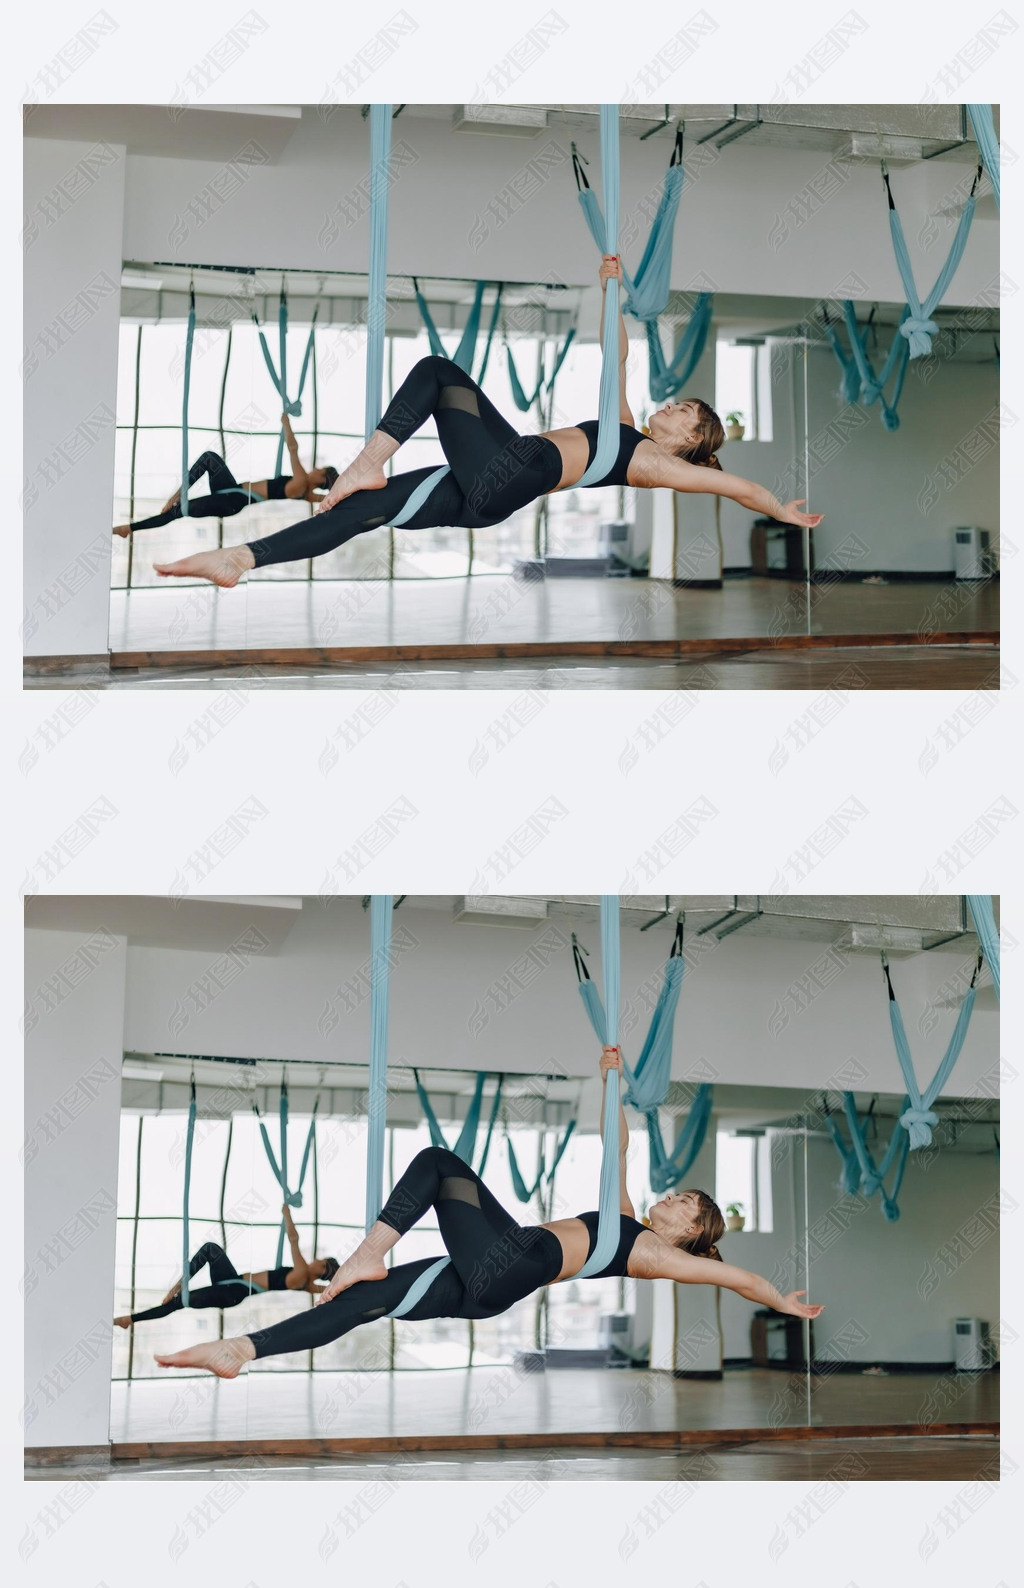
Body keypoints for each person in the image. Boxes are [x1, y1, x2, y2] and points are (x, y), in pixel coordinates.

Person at [151, 258, 824, 587]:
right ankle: (241, 558)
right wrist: (613, 290)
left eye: (688, 415)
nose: (675, 407)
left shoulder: (657, 463)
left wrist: (782, 513)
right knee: (364, 511)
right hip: (488, 487)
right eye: (679, 402)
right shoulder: (629, 433)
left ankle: (366, 460)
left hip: (509, 472)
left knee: (442, 373)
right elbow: (615, 356)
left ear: (691, 444)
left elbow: (737, 489)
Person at [153, 1049, 823, 1376]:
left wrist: (783, 1304)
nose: (676, 1197)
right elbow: (615, 1147)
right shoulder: (629, 1224)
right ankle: (240, 1349)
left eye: (689, 1205)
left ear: (693, 1235)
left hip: (510, 1263)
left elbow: (739, 1281)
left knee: (443, 1164)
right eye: (679, 1192)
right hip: (489, 1280)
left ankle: (367, 1250)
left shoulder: (659, 1255)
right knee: (368, 1301)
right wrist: (613, 1080)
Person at [114, 1203, 340, 1328]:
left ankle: (130, 1320)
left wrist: (287, 1215)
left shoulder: (302, 1274)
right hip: (232, 1280)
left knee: (179, 1303)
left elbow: (294, 1240)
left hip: (231, 1292)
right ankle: (178, 1285)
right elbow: (330, 1289)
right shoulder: (308, 1284)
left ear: (322, 1269)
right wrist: (344, 1280)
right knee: (211, 1249)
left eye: (321, 1261)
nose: (317, 1259)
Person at [113, 413, 339, 537]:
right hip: (230, 489)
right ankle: (176, 494)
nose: (315, 469)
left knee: (178, 512)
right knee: (210, 458)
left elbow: (293, 450)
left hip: (231, 501)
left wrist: (286, 424)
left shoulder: (301, 484)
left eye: (319, 470)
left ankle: (129, 529)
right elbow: (329, 498)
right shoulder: (306, 493)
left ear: (320, 479)